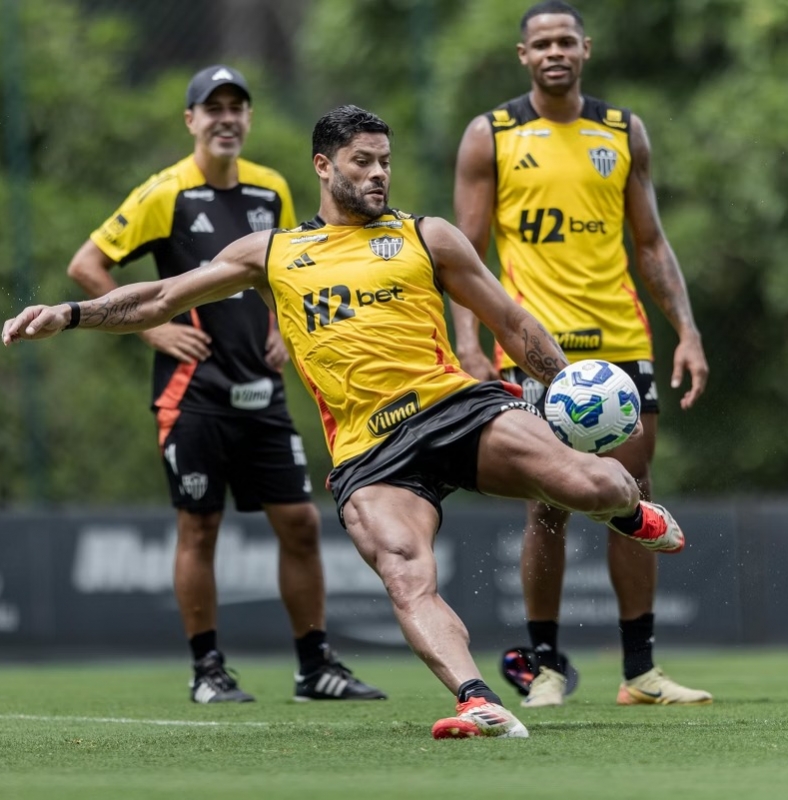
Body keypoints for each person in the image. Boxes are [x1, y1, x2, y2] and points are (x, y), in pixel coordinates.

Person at [5, 104, 688, 739]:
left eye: (385, 160)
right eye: (363, 161)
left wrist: (565, 385)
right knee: (403, 571)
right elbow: (159, 296)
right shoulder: (270, 252)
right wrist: (69, 314)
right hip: (370, 452)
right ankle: (477, 699)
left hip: (456, 408)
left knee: (595, 487)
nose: (379, 172)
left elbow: (510, 320)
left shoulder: (427, 235)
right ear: (324, 166)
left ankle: (631, 512)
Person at [65, 66, 385, 705]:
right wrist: (153, 332)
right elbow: (86, 265)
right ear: (191, 120)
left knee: (299, 524)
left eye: (237, 107)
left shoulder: (271, 187)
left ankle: (315, 667)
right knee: (200, 528)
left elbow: (291, 267)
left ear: (249, 118)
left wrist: (285, 326)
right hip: (193, 392)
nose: (226, 119)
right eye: (213, 108)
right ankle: (207, 670)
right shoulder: (165, 193)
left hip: (261, 389)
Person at [451, 0, 711, 708]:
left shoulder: (623, 131)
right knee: (548, 502)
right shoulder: (491, 135)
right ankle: (542, 668)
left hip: (621, 342)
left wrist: (687, 331)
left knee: (636, 493)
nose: (555, 52)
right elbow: (466, 256)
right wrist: (468, 342)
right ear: (524, 56)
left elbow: (651, 244)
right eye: (542, 43)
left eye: (566, 40)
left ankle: (641, 673)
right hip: (535, 347)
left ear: (585, 49)